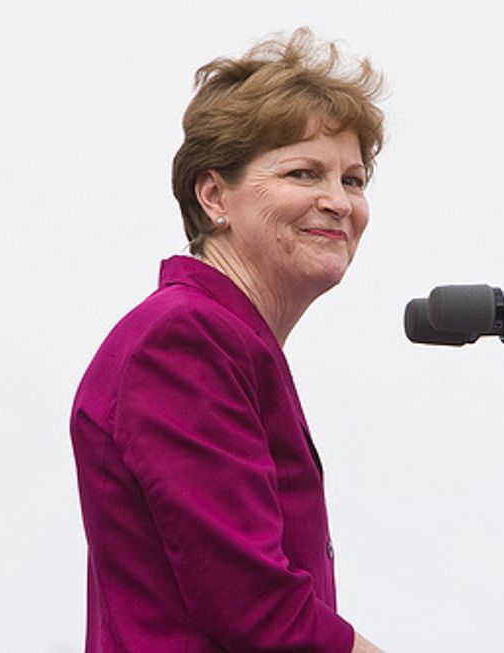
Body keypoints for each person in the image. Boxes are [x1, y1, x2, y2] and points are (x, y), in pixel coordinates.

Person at [70, 29, 386, 653]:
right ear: (214, 195)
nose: (338, 202)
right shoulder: (183, 339)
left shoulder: (228, 340)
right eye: (304, 172)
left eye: (353, 180)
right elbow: (253, 607)